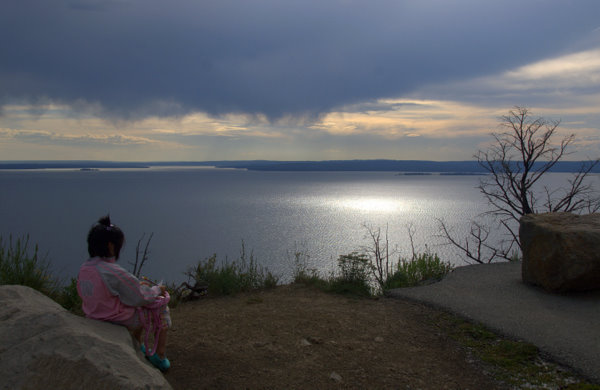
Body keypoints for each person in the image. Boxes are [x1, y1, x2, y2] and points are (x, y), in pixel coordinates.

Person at [77, 215, 171, 371]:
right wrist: (157, 290)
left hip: (94, 314)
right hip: (115, 319)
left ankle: (137, 343)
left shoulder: (85, 269)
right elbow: (141, 296)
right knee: (161, 309)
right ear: (111, 246)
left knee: (137, 307)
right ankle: (160, 355)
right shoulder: (113, 271)